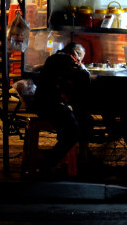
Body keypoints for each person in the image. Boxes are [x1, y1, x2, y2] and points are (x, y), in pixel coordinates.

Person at [32, 42, 92, 177]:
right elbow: (85, 77)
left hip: (45, 103)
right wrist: (82, 67)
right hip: (50, 105)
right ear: (75, 53)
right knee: (73, 131)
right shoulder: (65, 59)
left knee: (80, 118)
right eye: (79, 58)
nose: (79, 61)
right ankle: (45, 165)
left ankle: (72, 160)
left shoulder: (55, 58)